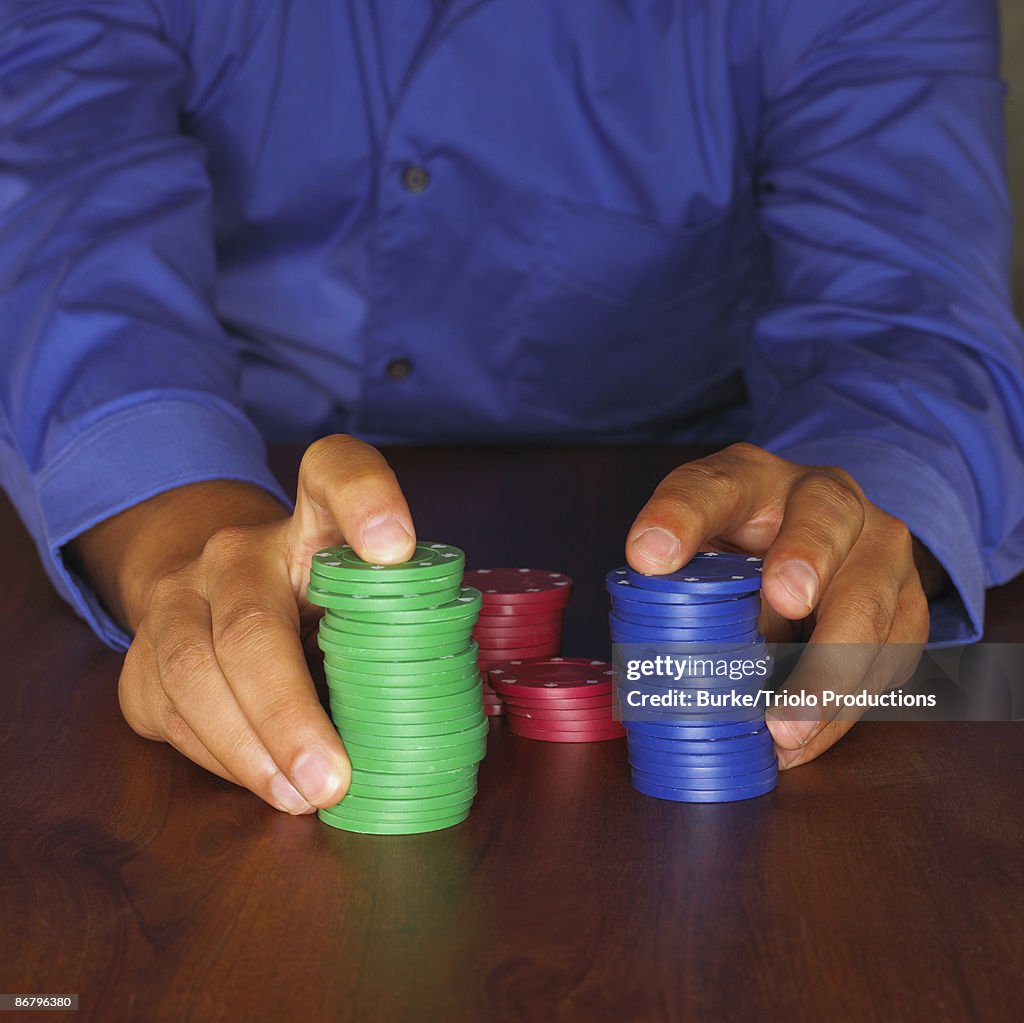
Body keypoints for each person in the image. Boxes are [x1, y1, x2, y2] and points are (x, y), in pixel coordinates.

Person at [2, 0, 1022, 816]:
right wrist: (186, 535)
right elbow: (63, 230)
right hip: (243, 477)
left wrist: (861, 515)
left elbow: (913, 314)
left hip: (693, 484)